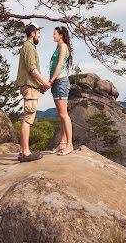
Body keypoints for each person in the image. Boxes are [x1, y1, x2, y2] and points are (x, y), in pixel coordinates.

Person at [15, 23, 51, 162]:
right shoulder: (29, 47)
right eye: (38, 33)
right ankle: (25, 153)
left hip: (31, 86)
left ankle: (23, 150)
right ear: (33, 33)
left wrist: (39, 85)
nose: (39, 35)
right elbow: (32, 69)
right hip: (29, 87)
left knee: (28, 118)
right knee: (28, 119)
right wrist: (44, 83)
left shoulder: (29, 47)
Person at [47, 26, 74, 155]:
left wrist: (51, 80)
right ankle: (63, 143)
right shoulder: (59, 47)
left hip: (60, 83)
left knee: (64, 115)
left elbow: (58, 65)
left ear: (61, 35)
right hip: (57, 83)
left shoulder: (63, 47)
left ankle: (70, 145)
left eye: (55, 34)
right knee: (61, 115)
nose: (53, 36)